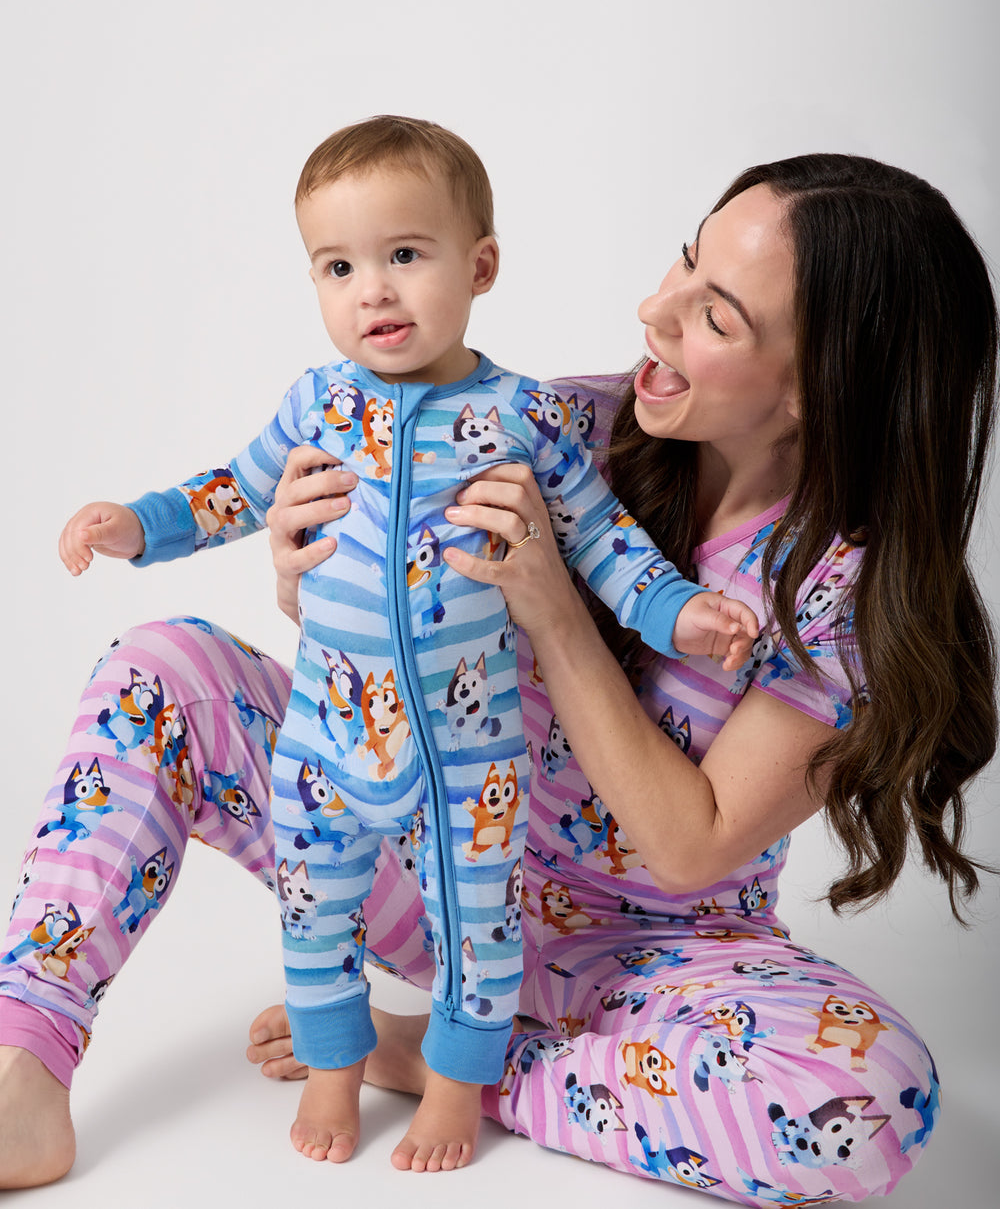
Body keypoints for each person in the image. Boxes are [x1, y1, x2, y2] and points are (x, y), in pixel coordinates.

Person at [1, 151, 996, 1201]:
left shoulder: (842, 589)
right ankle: (24, 1063)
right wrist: (303, 574)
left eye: (715, 316)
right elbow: (381, 610)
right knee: (161, 669)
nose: (654, 309)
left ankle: (445, 1058)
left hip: (645, 954)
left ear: (815, 385)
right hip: (425, 855)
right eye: (684, 260)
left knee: (862, 1105)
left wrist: (557, 608)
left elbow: (689, 841)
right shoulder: (554, 422)